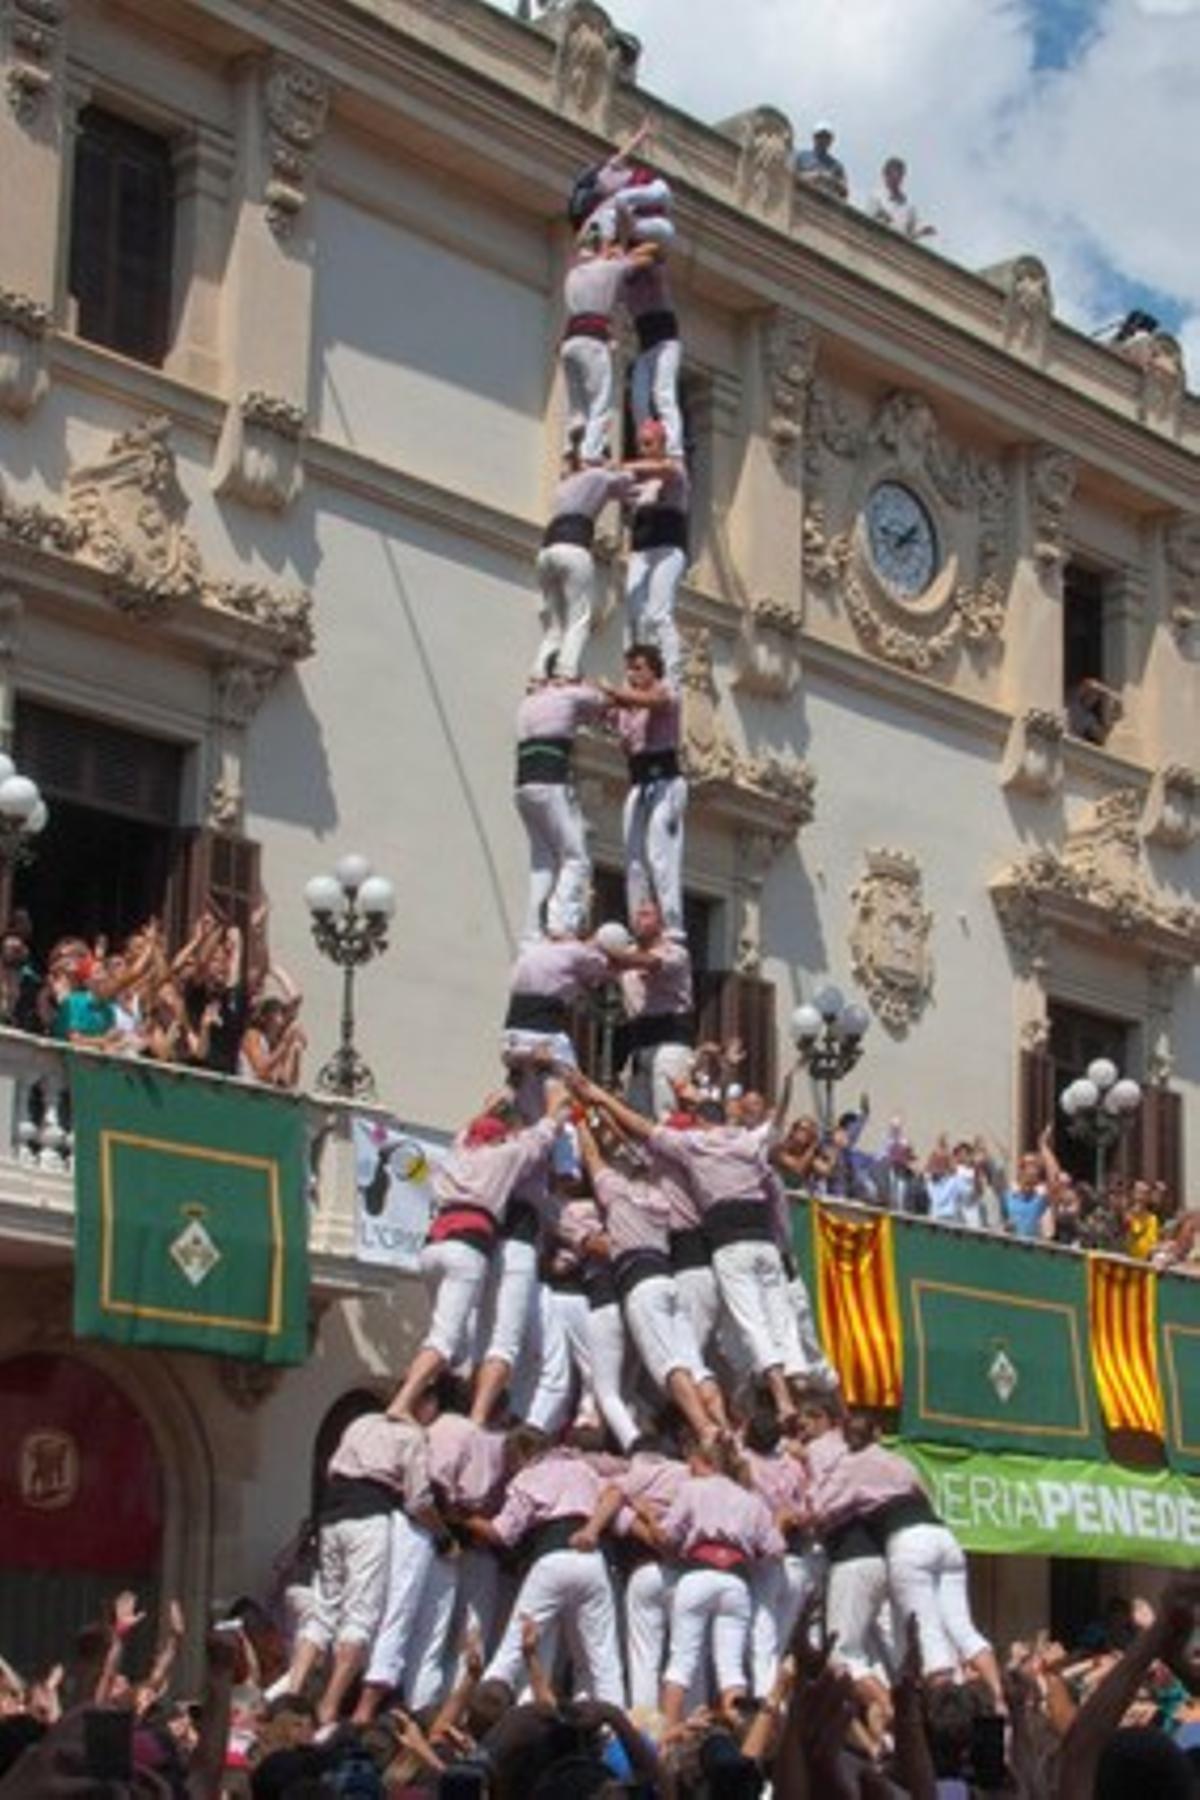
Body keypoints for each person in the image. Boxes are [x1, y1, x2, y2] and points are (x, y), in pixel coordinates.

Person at [388, 1091, 566, 1419]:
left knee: (453, 1337)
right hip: (466, 1245)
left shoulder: (455, 1153)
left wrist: (485, 1110)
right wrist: (554, 1109)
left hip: (431, 1245)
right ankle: (405, 1403)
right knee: (446, 1340)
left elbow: (465, 1132)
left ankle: (434, 1398)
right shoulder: (504, 1156)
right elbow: (541, 1137)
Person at [283, 1399, 445, 1726]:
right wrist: (443, 1533)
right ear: (425, 1405)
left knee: (325, 1608)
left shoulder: (361, 1423)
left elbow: (332, 1467)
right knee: (361, 1615)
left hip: (331, 1514)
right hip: (368, 1516)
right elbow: (417, 1501)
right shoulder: (413, 1437)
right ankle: (329, 1704)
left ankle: (293, 1691)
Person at [576, 1113, 719, 1444]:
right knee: (695, 1365)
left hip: (640, 1284)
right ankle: (721, 1424)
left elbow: (592, 1157)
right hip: (669, 1282)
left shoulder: (616, 1192)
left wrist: (582, 1120)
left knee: (667, 1365)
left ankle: (704, 1428)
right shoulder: (661, 1201)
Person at [463, 1427, 626, 1705]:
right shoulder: (580, 1468)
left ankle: (485, 1716)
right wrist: (592, 1529)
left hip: (551, 1558)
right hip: (591, 1560)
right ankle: (613, 1733)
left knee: (512, 1651)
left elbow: (502, 1533)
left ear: (520, 1455)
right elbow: (614, 1493)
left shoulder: (528, 1477)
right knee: (601, 1661)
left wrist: (464, 1518)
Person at [656, 1437, 783, 1726]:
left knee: (681, 1662)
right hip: (735, 1580)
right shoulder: (752, 1501)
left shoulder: (692, 1489)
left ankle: (667, 1739)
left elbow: (668, 1533)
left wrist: (650, 1519)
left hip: (698, 1572)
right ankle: (740, 1734)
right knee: (731, 1667)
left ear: (708, 1462)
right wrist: (750, 1555)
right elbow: (776, 1548)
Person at [513, 676, 608, 944]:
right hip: (549, 782)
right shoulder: (567, 695)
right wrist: (586, 684)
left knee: (542, 862)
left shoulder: (529, 702)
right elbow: (601, 699)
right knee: (576, 857)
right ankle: (560, 923)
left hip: (524, 787)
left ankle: (531, 932)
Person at [602, 643, 687, 938]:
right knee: (634, 855)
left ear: (654, 670)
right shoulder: (627, 708)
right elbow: (606, 710)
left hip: (665, 781)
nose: (632, 674)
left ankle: (673, 925)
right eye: (630, 669)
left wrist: (617, 695)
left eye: (639, 668)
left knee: (660, 851)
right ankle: (640, 922)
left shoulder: (666, 692)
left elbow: (655, 701)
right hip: (639, 783)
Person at [559, 232, 660, 465]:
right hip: (592, 342)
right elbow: (647, 258)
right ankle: (590, 452)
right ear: (601, 249)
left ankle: (571, 442)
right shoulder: (608, 269)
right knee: (600, 403)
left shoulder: (573, 273)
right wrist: (624, 254)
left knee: (578, 404)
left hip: (570, 343)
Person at [534, 455, 637, 681]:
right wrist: (619, 468)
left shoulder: (564, 486)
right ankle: (566, 672)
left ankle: (539, 673)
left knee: (555, 626)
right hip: (573, 547)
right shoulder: (596, 476)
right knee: (579, 618)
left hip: (546, 552)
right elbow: (628, 485)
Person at [622, 418, 689, 688]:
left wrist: (623, 466)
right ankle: (636, 669)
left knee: (660, 612)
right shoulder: (642, 487)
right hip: (642, 551)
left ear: (663, 445)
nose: (643, 449)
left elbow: (666, 469)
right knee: (635, 611)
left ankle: (671, 674)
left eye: (648, 443)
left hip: (667, 549)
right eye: (640, 444)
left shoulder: (675, 471)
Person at [619, 900, 695, 1121]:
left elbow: (652, 963)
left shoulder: (676, 953)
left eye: (646, 915)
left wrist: (616, 957)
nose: (639, 920)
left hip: (671, 1035)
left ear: (661, 922)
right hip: (639, 1038)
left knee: (666, 1100)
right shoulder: (628, 952)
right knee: (634, 1107)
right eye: (637, 915)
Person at [625, 255, 684, 459]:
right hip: (646, 348)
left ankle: (674, 448)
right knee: (638, 397)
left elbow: (657, 259)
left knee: (663, 394)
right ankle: (646, 442)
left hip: (666, 344)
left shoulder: (656, 280)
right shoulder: (628, 287)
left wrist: (639, 259)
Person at [869, 156, 936, 241]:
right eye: (892, 173)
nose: (896, 177)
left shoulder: (909, 207)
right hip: (879, 243)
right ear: (885, 175)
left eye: (899, 174)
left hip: (897, 248)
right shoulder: (876, 196)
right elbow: (868, 222)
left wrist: (923, 231)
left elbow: (911, 235)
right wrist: (880, 219)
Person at [795, 123, 848, 200]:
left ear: (831, 141)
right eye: (819, 137)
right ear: (814, 138)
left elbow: (844, 192)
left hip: (824, 205)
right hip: (801, 198)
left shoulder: (836, 166)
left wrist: (831, 180)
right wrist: (817, 176)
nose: (823, 140)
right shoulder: (801, 157)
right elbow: (789, 177)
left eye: (826, 137)